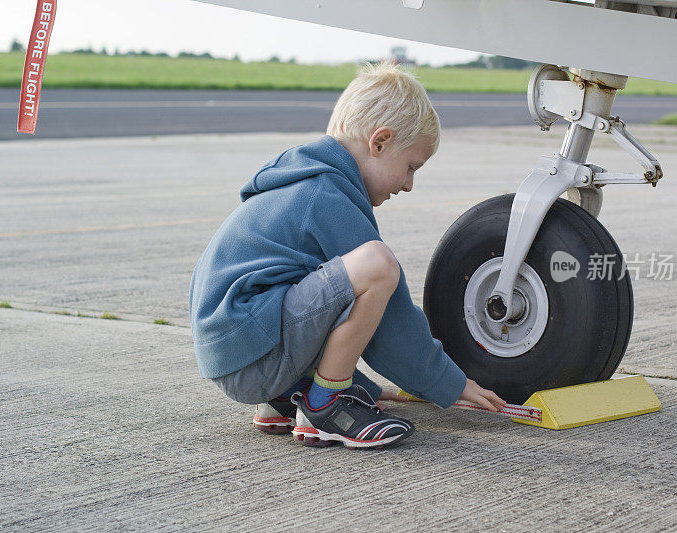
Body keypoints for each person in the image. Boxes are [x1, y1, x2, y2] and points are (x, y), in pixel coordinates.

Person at [189, 61, 506, 449]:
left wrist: (368, 386)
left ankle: (288, 397)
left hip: (236, 349)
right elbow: (392, 319)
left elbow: (323, 304)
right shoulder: (326, 196)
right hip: (253, 352)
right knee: (377, 265)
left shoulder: (299, 181)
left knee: (330, 275)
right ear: (380, 142)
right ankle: (326, 405)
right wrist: (444, 380)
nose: (408, 184)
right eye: (410, 167)